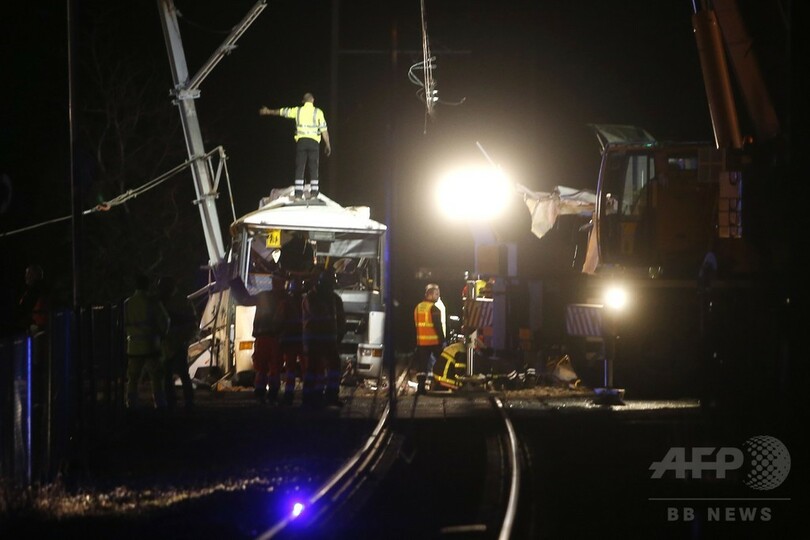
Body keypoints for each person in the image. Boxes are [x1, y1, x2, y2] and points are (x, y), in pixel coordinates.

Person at [259, 92, 332, 199]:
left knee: (300, 168)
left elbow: (282, 111)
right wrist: (328, 144)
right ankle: (314, 194)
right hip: (314, 143)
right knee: (313, 168)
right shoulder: (318, 112)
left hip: (301, 142)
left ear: (303, 101)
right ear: (313, 100)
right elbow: (324, 130)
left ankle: (298, 194)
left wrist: (268, 111)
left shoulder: (298, 111)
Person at [230, 273, 287, 404]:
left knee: (262, 368)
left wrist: (235, 283)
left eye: (275, 281)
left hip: (265, 338)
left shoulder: (265, 296)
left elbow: (245, 300)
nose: (273, 283)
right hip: (277, 339)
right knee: (273, 368)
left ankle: (261, 393)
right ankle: (272, 394)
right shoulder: (286, 298)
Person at [124, 274, 170, 410]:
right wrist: (162, 335)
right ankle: (159, 403)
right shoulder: (152, 302)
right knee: (156, 377)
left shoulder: (127, 303)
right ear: (148, 286)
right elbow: (165, 321)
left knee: (133, 377)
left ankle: (131, 403)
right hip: (151, 346)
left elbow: (122, 324)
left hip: (133, 347)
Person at [302, 269, 346, 407]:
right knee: (313, 369)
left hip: (329, 340)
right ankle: (309, 398)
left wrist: (338, 336)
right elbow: (315, 315)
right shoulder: (311, 298)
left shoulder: (335, 299)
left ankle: (331, 396)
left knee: (334, 367)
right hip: (314, 340)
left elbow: (341, 320)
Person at [158, 276, 196, 411]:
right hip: (176, 342)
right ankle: (186, 401)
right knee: (179, 373)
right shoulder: (182, 301)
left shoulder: (163, 302)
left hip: (172, 342)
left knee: (170, 374)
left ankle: (173, 401)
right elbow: (192, 322)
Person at [413, 283, 445, 395]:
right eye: (436, 294)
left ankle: (421, 388)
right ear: (430, 295)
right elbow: (438, 326)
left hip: (421, 342)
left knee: (422, 366)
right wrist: (443, 340)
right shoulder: (434, 308)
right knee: (441, 362)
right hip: (434, 341)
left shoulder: (418, 307)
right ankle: (440, 385)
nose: (438, 296)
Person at [279, 277, 305, 406]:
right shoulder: (305, 301)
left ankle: (289, 395)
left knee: (290, 369)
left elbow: (279, 320)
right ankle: (308, 394)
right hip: (302, 340)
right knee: (306, 368)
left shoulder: (286, 303)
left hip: (290, 340)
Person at [16, 264, 49, 335]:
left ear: (35, 275)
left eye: (28, 273)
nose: (26, 276)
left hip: (36, 327)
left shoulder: (35, 290)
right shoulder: (35, 289)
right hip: (38, 326)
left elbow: (25, 309)